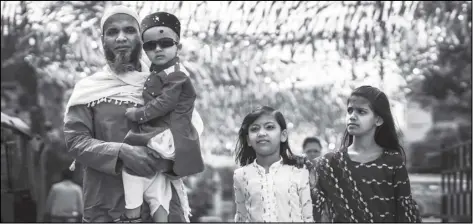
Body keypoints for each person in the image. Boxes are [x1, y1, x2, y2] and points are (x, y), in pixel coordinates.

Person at [63, 5, 201, 222]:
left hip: (163, 208)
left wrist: (166, 161)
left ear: (141, 39)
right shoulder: (88, 89)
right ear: (102, 40)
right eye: (112, 32)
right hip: (107, 207)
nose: (121, 38)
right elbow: (75, 141)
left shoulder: (166, 85)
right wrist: (122, 152)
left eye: (129, 30)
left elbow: (189, 133)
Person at [118, 11, 204, 222]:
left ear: (178, 46)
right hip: (163, 133)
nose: (157, 49)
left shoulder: (176, 74)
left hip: (169, 134)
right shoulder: (158, 72)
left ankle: (132, 212)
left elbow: (165, 103)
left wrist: (138, 115)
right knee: (155, 180)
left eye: (165, 43)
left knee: (131, 163)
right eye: (150, 45)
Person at [310, 86, 422, 222]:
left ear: (378, 120)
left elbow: (405, 212)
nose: (352, 116)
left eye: (361, 112)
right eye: (350, 110)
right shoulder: (328, 164)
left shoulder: (392, 162)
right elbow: (315, 212)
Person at [232, 106, 313, 222]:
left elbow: (308, 218)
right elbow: (241, 217)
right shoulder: (240, 175)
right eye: (254, 129)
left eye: (269, 127)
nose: (261, 133)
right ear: (248, 140)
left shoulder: (299, 172)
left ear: (283, 135)